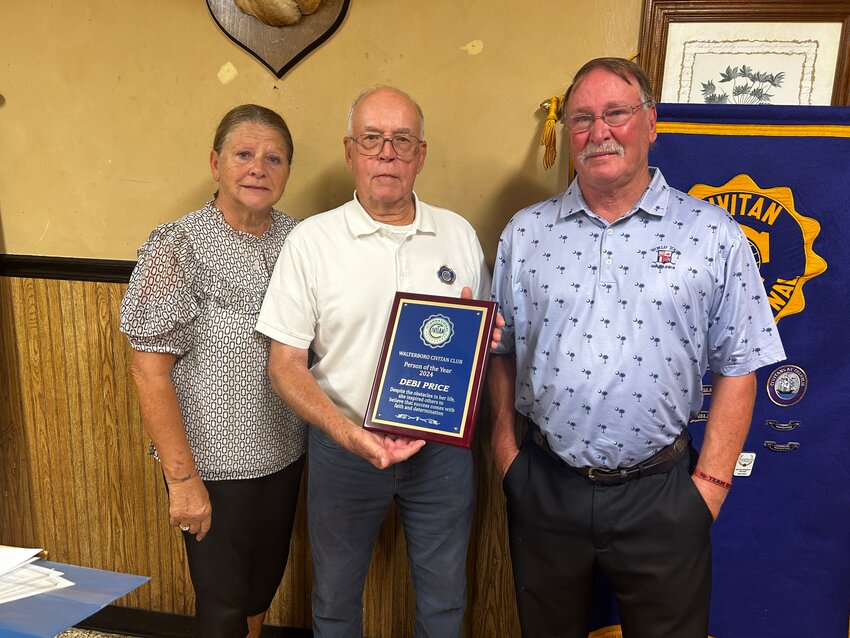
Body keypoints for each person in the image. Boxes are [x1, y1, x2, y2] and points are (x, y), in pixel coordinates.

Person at [488, 58, 786, 637]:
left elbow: (742, 365)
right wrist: (507, 458)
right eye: (581, 118)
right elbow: (499, 351)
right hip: (545, 488)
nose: (598, 132)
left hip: (664, 497)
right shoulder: (525, 234)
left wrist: (711, 489)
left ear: (650, 123)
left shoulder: (713, 235)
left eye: (616, 114)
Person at [256, 86, 491, 638]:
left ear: (421, 155)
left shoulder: (457, 235)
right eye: (372, 139)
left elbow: (476, 346)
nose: (387, 153)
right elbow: (285, 363)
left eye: (402, 140)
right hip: (344, 448)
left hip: (441, 455)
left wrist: (485, 338)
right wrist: (347, 434)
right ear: (350, 151)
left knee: (445, 603)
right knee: (335, 602)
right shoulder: (312, 242)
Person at [119, 104, 307, 638]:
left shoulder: (301, 241)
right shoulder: (176, 245)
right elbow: (147, 372)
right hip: (211, 466)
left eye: (274, 158)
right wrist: (181, 480)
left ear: (288, 172)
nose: (258, 168)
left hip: (285, 453)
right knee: (222, 605)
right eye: (244, 154)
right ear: (215, 163)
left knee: (261, 588)